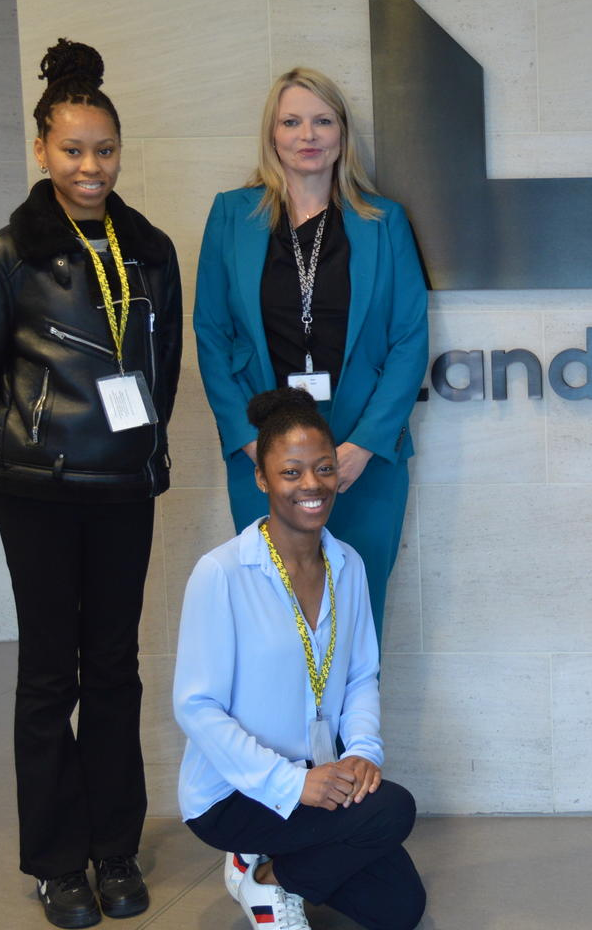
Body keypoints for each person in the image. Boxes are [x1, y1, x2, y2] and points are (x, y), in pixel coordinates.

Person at [0, 39, 180, 928]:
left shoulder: (150, 252)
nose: (90, 167)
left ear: (120, 151)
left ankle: (114, 849)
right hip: (36, 492)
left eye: (104, 150)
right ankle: (54, 861)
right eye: (73, 149)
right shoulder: (4, 256)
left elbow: (164, 372)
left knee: (116, 668)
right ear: (43, 148)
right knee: (49, 677)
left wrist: (146, 453)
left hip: (122, 490)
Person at [174, 386, 425, 930]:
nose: (311, 485)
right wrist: (292, 785)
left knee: (399, 909)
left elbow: (360, 675)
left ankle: (270, 872)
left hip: (320, 774)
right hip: (235, 792)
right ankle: (258, 875)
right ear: (262, 479)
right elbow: (197, 707)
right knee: (394, 811)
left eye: (323, 468)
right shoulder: (222, 574)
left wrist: (362, 753)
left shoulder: (348, 565)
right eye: (291, 473)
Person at [195, 67, 429, 641]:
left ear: (342, 134)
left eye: (323, 120)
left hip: (361, 458)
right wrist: (251, 442)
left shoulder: (383, 221)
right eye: (292, 121)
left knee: (357, 619)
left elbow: (409, 340)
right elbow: (210, 332)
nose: (308, 134)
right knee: (274, 622)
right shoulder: (232, 216)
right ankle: (283, 736)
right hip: (265, 457)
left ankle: (355, 737)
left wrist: (364, 446)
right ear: (272, 134)